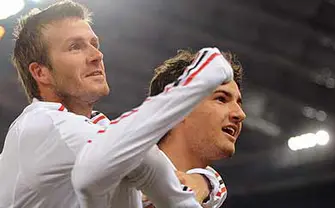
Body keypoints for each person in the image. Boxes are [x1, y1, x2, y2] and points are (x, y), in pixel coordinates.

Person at [0, 1, 234, 208]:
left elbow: (169, 176)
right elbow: (144, 162)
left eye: (94, 44)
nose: (96, 55)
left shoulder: (92, 131)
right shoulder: (42, 126)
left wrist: (204, 181)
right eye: (75, 47)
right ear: (41, 73)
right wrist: (194, 85)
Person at [136, 49, 245, 208]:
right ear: (179, 107)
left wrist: (205, 181)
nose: (240, 114)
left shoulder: (204, 192)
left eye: (238, 103)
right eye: (221, 99)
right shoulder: (125, 178)